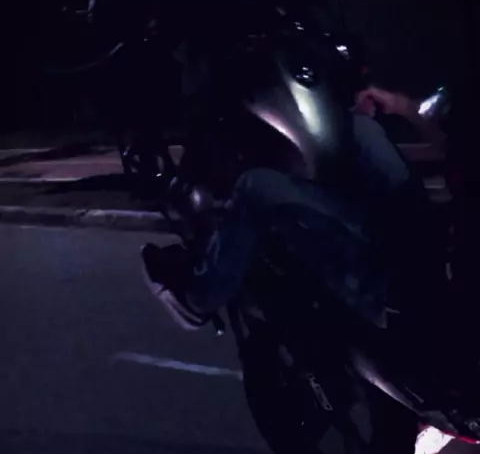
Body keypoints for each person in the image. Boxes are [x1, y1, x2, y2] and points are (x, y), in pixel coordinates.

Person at [142, 87, 438, 331]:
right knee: (357, 127)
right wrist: (401, 105)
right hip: (419, 230)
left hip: (405, 280)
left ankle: (199, 298)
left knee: (255, 188)